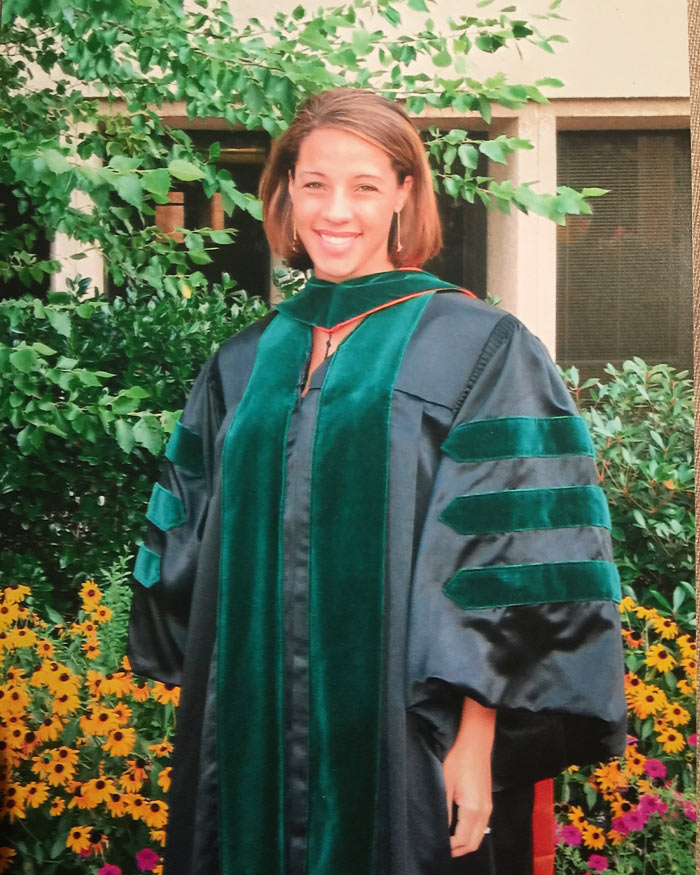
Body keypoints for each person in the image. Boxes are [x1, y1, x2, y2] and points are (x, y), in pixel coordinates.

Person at [127, 88, 626, 875]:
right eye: (315, 182)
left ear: (404, 192)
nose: (337, 210)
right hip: (251, 742)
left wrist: (474, 742)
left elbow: (511, 559)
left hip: (410, 740)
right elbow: (191, 555)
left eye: (365, 185)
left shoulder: (479, 346)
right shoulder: (244, 360)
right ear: (286, 189)